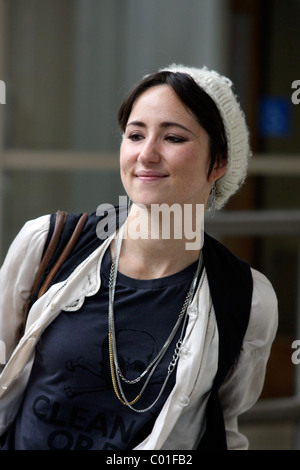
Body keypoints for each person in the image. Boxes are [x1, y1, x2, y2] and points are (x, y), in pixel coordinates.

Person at [0, 64, 278, 450]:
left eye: (173, 138)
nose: (146, 154)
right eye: (135, 135)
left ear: (218, 163)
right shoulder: (47, 243)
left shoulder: (247, 297)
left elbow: (222, 427)